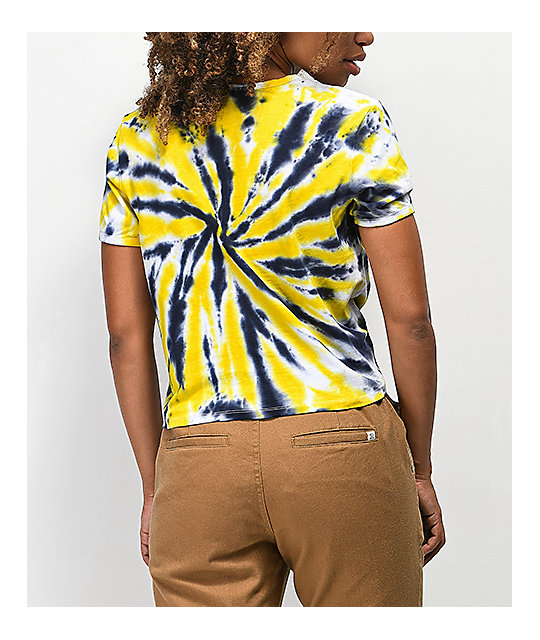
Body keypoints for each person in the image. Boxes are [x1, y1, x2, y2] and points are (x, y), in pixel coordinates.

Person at [98, 32, 445, 607]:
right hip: (341, 443)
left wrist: (159, 486)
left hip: (198, 458)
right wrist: (419, 467)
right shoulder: (352, 123)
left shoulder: (138, 138)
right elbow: (411, 321)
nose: (363, 32)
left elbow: (124, 337)